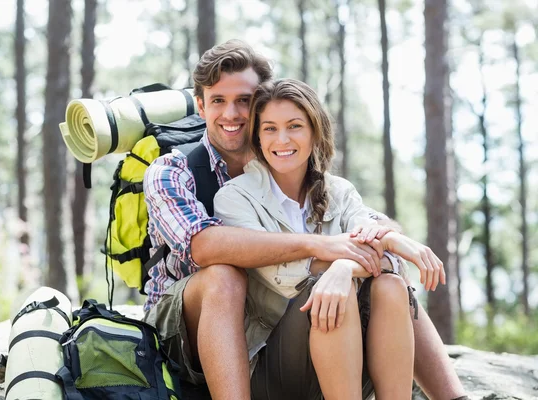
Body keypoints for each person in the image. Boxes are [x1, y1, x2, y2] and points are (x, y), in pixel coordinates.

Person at [143, 39, 467, 400]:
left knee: (389, 286)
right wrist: (324, 245)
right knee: (224, 275)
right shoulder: (172, 170)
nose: (231, 114)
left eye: (244, 101)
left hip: (271, 321)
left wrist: (384, 241)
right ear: (201, 105)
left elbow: (369, 223)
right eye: (218, 100)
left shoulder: (287, 160)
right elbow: (203, 248)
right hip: (182, 330)